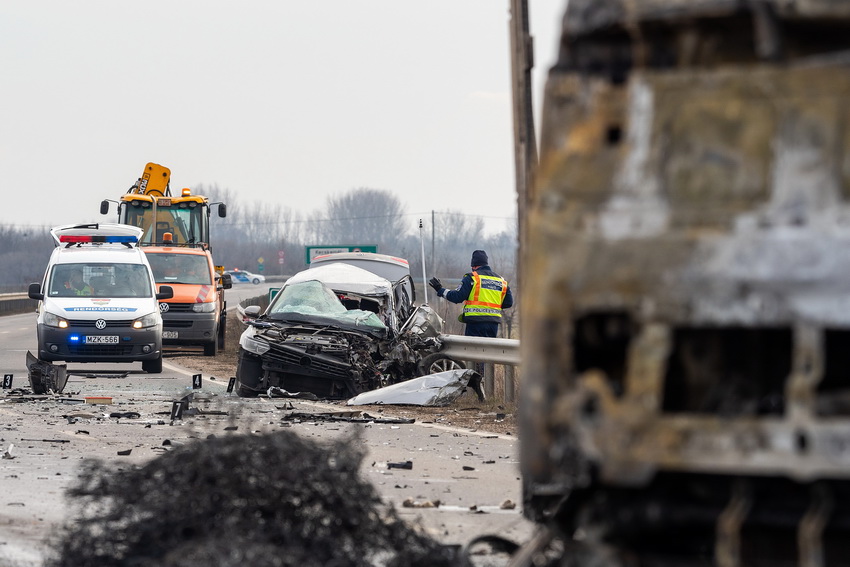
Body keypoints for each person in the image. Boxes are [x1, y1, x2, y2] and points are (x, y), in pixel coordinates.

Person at [429, 249, 513, 338]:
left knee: (473, 350)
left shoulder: (472, 278)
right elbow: (508, 303)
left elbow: (457, 297)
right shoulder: (501, 281)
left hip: (475, 324)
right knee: (488, 351)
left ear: (473, 266)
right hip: (493, 325)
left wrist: (440, 290)